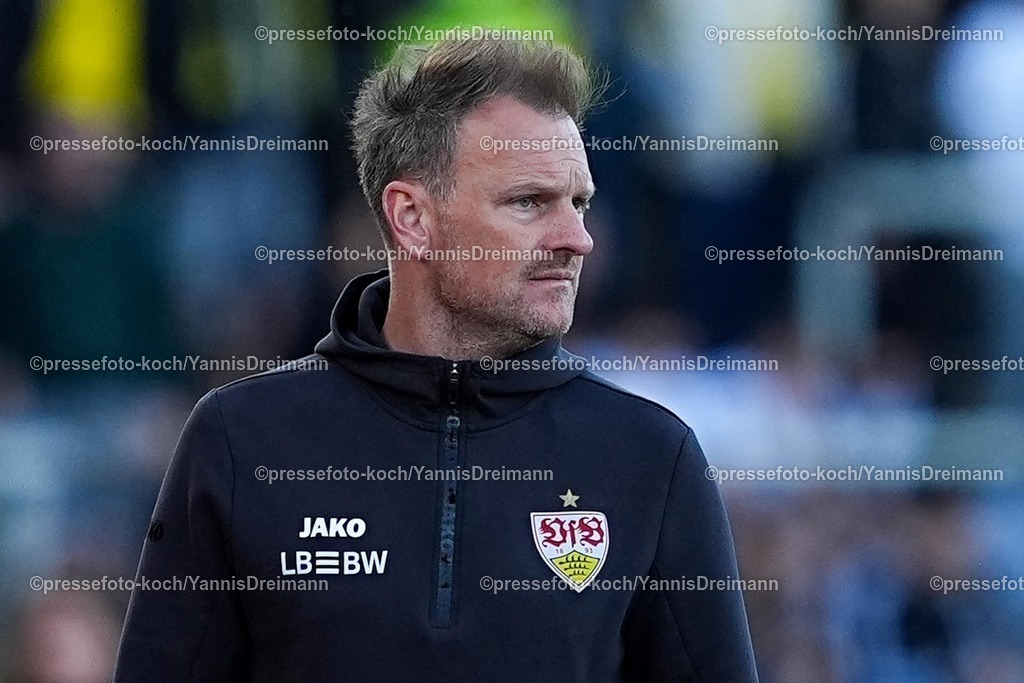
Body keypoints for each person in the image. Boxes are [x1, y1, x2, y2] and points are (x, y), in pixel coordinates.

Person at [114, 37, 759, 682]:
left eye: (579, 202)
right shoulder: (241, 438)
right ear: (412, 217)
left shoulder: (650, 456)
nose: (577, 239)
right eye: (529, 202)